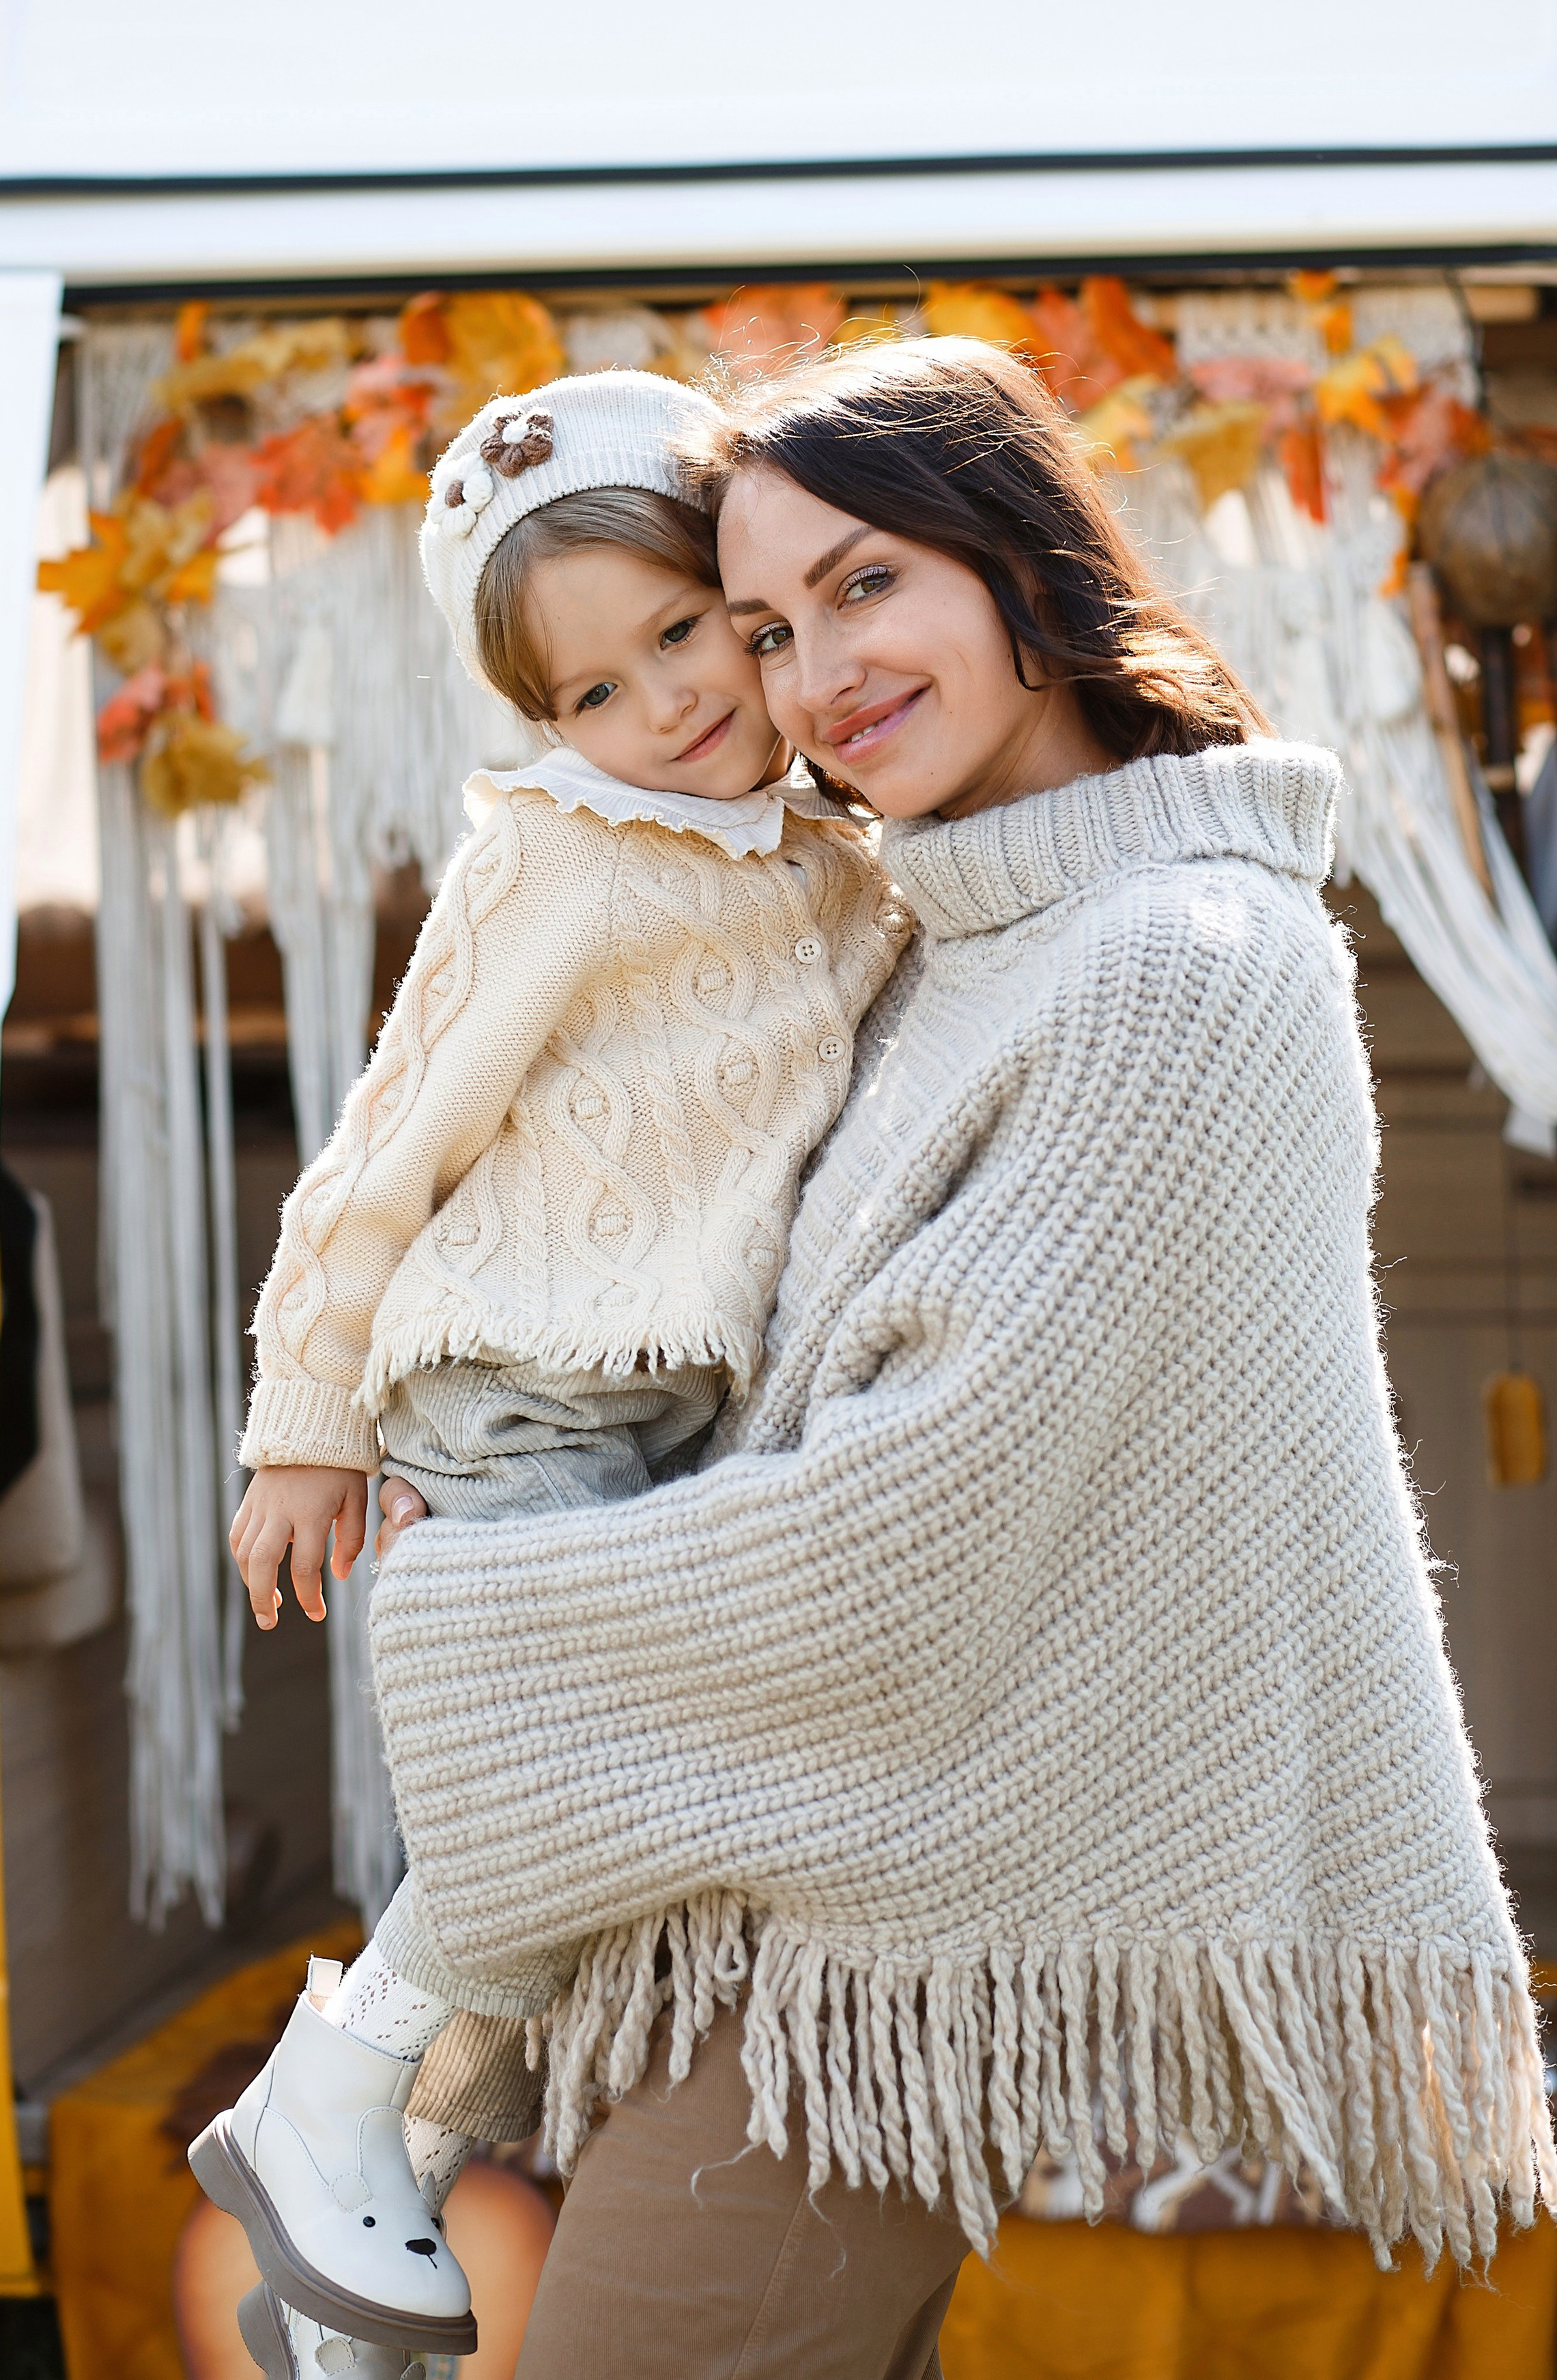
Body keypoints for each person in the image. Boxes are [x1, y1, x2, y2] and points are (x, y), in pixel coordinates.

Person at [366, 338, 1556, 2380]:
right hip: (779, 1899)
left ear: (1021, 569)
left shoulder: (1181, 967)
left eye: (863, 585)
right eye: (756, 624)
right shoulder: (936, 946)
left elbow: (915, 1536)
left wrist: (466, 1604)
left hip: (882, 1941)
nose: (808, 672)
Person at [189, 369, 906, 2375]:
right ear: (547, 731)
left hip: (662, 1423)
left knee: (574, 1881)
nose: (664, 707)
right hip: (507, 1398)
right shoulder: (560, 857)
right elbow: (387, 1146)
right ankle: (325, 2100)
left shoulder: (832, 864)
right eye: (595, 691)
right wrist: (308, 1426)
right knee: (559, 1813)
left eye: (687, 635)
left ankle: (345, 2248)